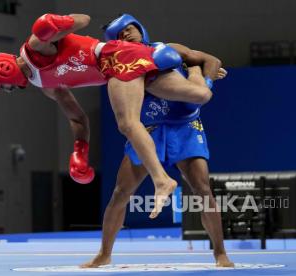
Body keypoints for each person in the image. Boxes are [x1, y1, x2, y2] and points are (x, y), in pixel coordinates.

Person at [0, 13, 214, 218]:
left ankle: (162, 180)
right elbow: (77, 119)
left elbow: (85, 19)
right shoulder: (46, 86)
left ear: (3, 72)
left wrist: (60, 23)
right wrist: (80, 151)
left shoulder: (35, 47)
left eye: (3, 87)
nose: (8, 90)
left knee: (128, 124)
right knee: (201, 95)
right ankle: (193, 68)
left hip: (114, 58)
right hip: (120, 65)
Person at [80, 14, 234, 268]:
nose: (127, 34)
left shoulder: (169, 50)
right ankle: (104, 253)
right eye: (121, 34)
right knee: (120, 192)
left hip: (184, 127)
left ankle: (220, 253)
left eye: (130, 29)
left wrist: (203, 76)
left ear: (140, 28)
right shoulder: (118, 66)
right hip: (149, 132)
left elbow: (212, 60)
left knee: (202, 189)